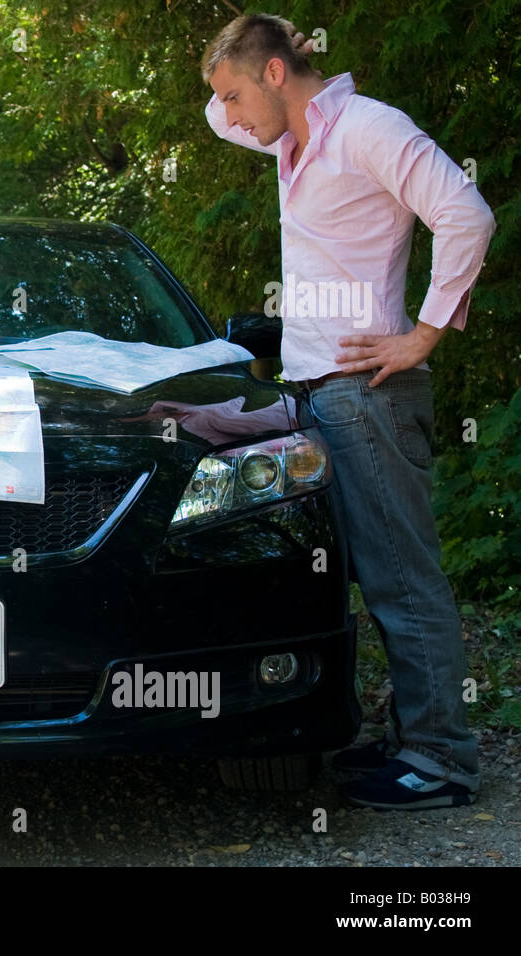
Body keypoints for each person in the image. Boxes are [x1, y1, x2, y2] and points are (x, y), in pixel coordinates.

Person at [201, 15, 495, 809]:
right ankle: (410, 740)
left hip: (368, 392)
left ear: (271, 74)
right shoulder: (289, 139)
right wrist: (254, 41)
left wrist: (423, 335)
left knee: (404, 578)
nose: (226, 116)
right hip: (318, 394)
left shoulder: (367, 128)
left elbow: (467, 215)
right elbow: (216, 114)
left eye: (234, 94)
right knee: (370, 576)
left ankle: (441, 761)